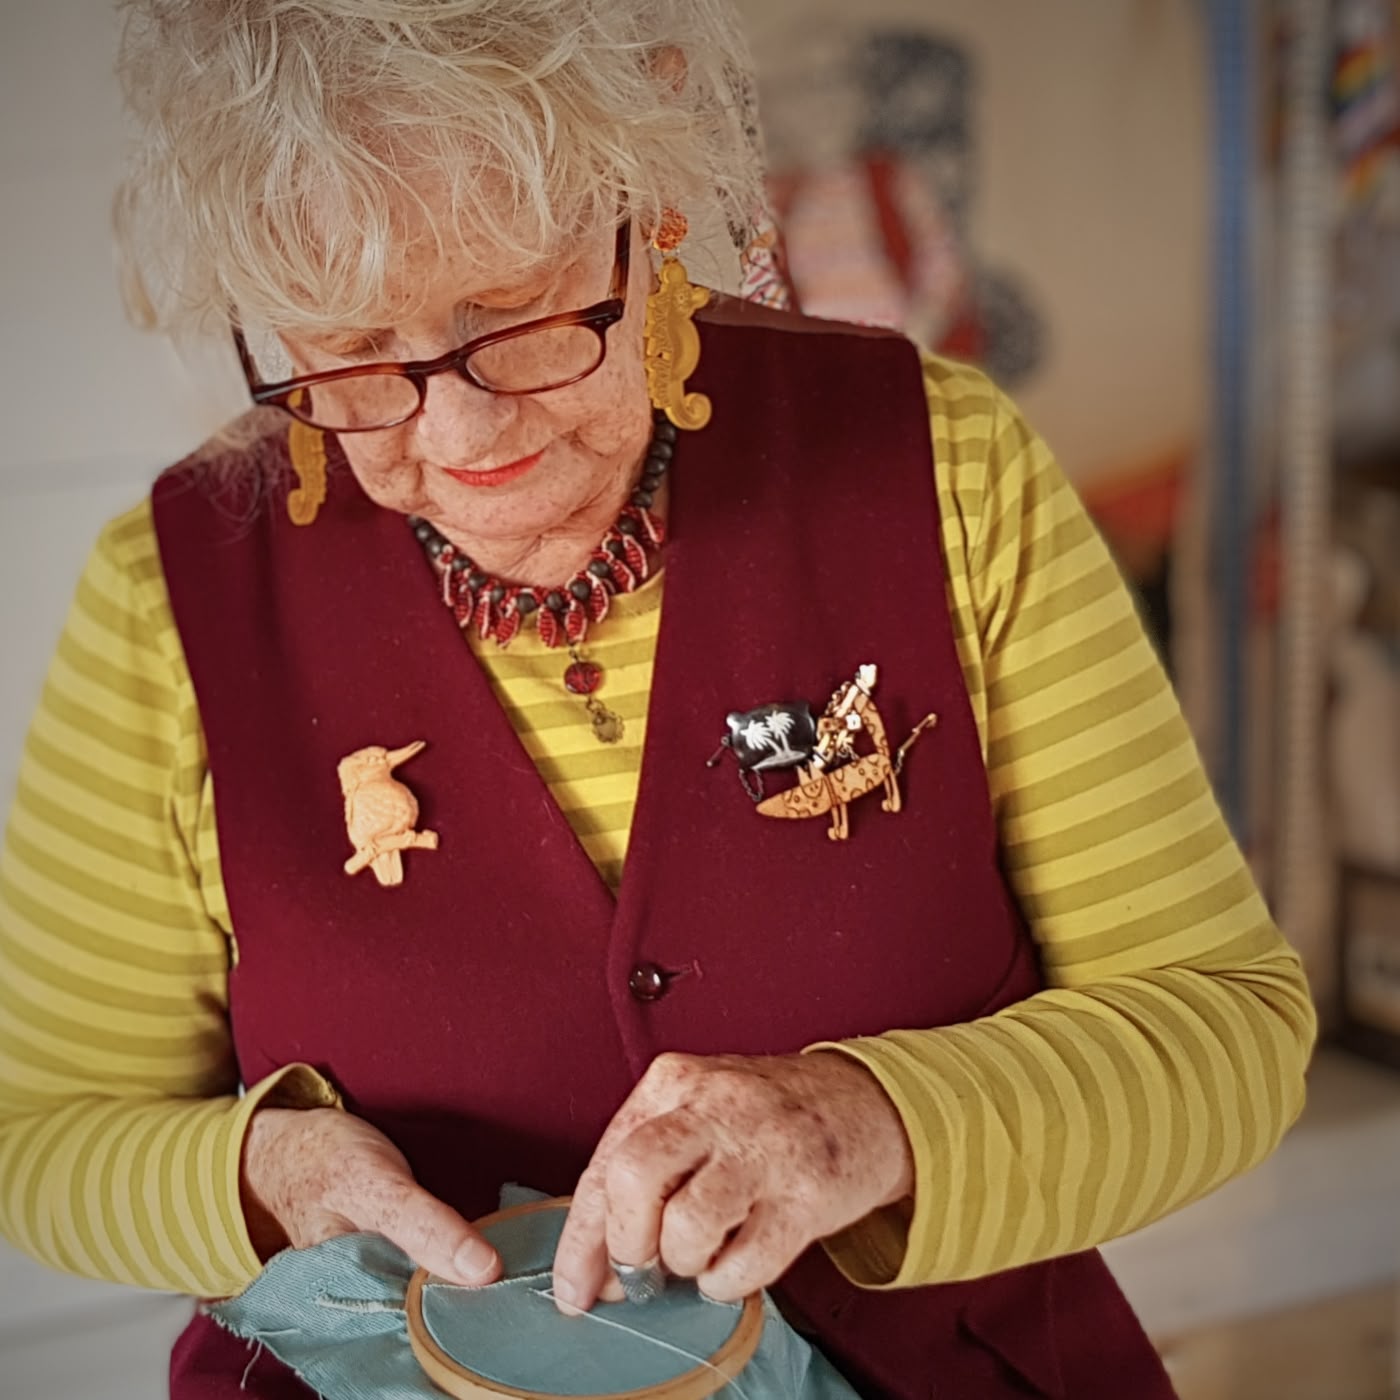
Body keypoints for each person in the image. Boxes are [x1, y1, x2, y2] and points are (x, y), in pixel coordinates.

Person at [0, 3, 1315, 1397]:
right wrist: (258, 1172)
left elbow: (1224, 1030)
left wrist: (876, 1125)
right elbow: (36, 1135)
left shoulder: (945, 471)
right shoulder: (174, 591)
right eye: (352, 353)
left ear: (646, 200)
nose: (460, 436)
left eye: (509, 318)